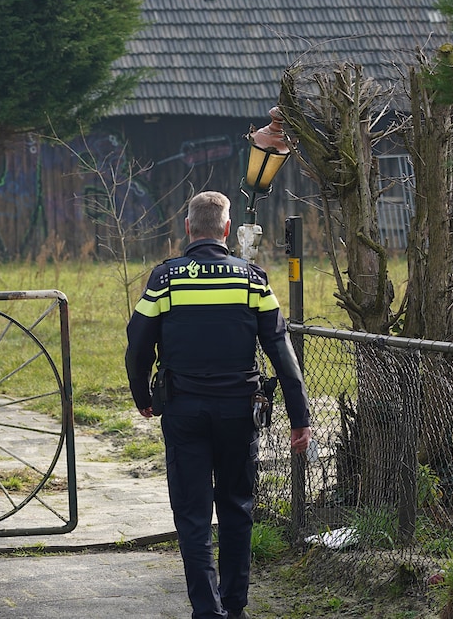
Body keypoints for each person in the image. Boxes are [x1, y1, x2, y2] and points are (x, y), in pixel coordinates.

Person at [124, 190, 312, 619]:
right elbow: (282, 352)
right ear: (226, 229)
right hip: (238, 413)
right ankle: (235, 607)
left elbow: (137, 345)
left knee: (192, 514)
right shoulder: (252, 280)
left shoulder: (165, 280)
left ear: (188, 227)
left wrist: (142, 396)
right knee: (236, 509)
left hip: (183, 411)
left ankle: (207, 611)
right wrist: (299, 417)